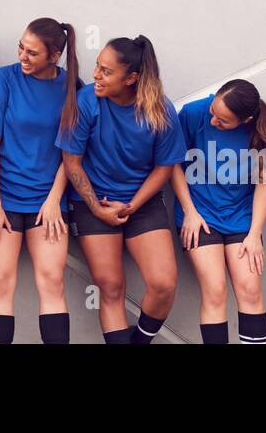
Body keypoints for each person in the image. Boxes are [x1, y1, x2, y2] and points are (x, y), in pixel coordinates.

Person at [57, 35, 185, 344]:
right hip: (92, 203)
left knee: (164, 283)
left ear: (131, 78)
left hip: (142, 202)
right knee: (111, 286)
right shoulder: (86, 101)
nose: (96, 76)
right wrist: (99, 208)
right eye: (97, 67)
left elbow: (164, 167)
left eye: (106, 71)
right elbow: (72, 163)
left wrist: (132, 206)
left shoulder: (160, 109)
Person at [0, 17, 78, 344]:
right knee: (0, 283)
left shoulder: (71, 88)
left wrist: (53, 201)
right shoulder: (2, 80)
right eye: (21, 47)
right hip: (2, 200)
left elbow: (72, 153)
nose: (22, 55)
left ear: (54, 56)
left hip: (48, 202)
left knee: (52, 282)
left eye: (32, 53)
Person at [171, 79, 266, 344]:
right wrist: (189, 211)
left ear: (245, 119)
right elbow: (173, 165)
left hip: (241, 218)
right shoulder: (193, 113)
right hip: (199, 215)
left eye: (223, 121)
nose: (213, 121)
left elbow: (265, 181)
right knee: (215, 290)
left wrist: (254, 234)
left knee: (250, 290)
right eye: (213, 111)